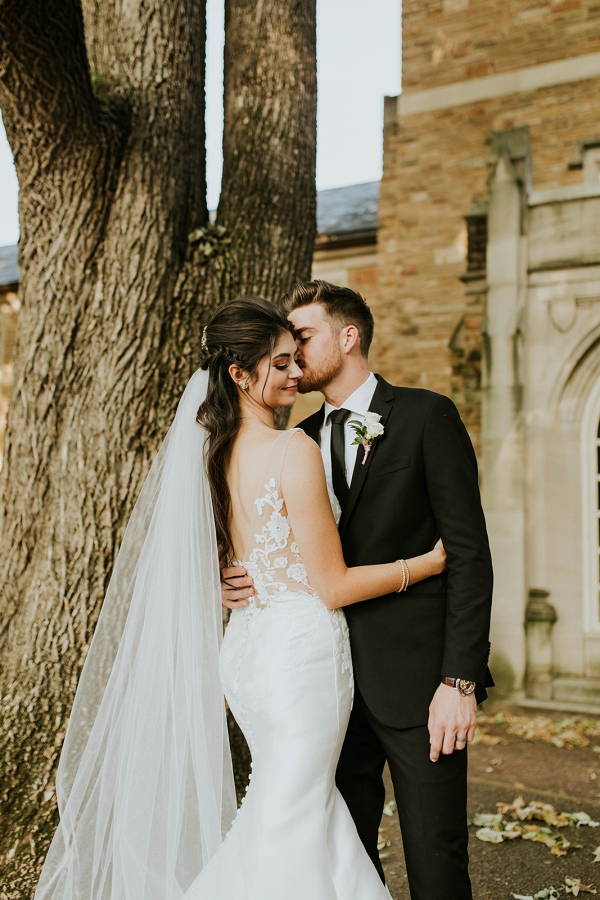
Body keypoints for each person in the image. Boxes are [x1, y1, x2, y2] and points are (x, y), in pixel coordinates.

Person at [35, 296, 447, 900]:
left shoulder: (211, 455)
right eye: (279, 364)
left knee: (298, 808)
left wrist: (229, 578)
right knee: (291, 815)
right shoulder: (292, 450)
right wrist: (424, 563)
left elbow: (219, 557)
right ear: (239, 374)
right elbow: (331, 585)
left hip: (251, 652)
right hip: (299, 659)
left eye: (294, 360)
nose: (294, 374)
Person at [222, 282, 494, 900]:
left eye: (305, 336)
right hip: (324, 686)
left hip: (419, 681)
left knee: (435, 856)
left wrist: (460, 681)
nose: (293, 349)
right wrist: (230, 576)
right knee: (341, 856)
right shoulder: (296, 438)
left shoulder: (428, 415)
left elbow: (470, 560)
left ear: (349, 338)